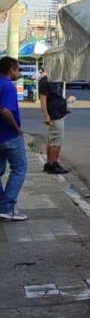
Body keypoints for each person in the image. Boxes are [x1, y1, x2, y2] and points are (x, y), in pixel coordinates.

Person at [0, 57, 27, 221]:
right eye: (18, 69)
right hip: (10, 136)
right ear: (11, 69)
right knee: (19, 168)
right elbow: (5, 110)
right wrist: (16, 128)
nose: (19, 73)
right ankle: (7, 207)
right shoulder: (8, 86)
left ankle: (2, 206)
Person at [38, 70, 70, 174]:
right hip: (54, 115)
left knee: (51, 139)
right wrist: (46, 115)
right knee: (56, 140)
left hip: (58, 113)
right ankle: (54, 164)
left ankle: (49, 163)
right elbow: (43, 100)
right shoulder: (45, 81)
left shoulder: (54, 80)